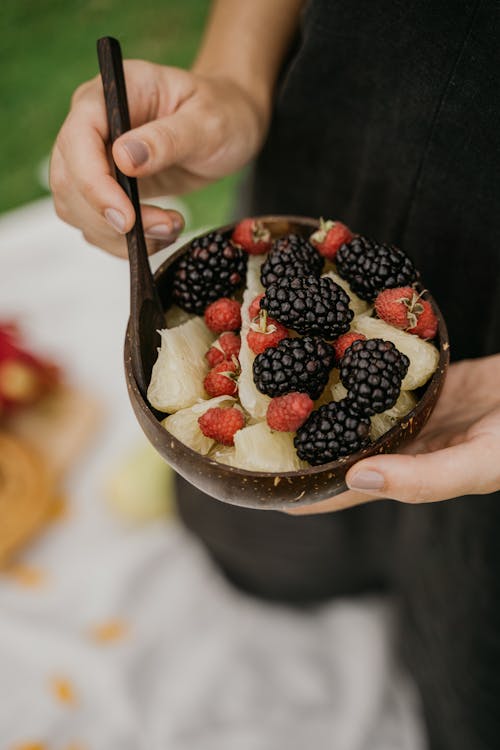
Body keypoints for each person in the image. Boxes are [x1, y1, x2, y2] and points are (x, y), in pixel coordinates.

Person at [50, 1, 500, 747]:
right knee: (269, 548)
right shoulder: (275, 287)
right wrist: (234, 78)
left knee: (471, 677)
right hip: (328, 145)